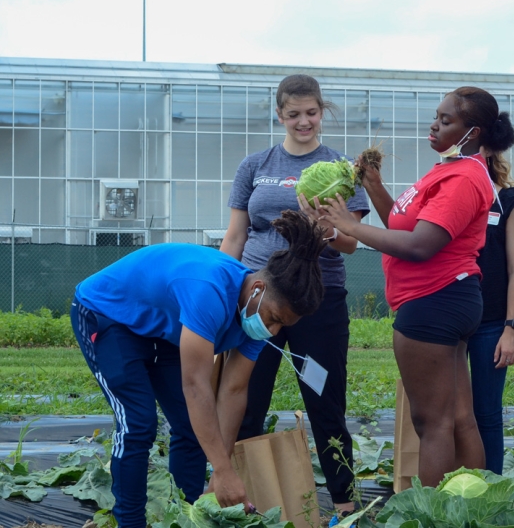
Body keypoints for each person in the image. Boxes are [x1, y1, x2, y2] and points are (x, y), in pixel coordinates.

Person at [70, 211, 326, 528]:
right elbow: (196, 385)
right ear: (258, 288)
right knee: (138, 423)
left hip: (160, 329)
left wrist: (223, 468)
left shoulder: (257, 317)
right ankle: (130, 523)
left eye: (282, 325)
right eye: (274, 318)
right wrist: (222, 470)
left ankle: (187, 517)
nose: (273, 330)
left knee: (191, 428)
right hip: (107, 314)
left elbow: (233, 391)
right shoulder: (209, 291)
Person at [317, 86, 514, 486]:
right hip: (447, 300)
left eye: (446, 121)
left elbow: (421, 246)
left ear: (472, 132)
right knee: (458, 417)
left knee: (432, 423)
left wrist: (351, 226)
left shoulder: (462, 177)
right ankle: (471, 508)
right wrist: (373, 185)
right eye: (436, 116)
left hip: (433, 302)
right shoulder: (447, 170)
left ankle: (435, 513)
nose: (434, 125)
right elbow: (403, 225)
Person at [220, 74, 369, 519]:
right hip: (259, 302)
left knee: (325, 403)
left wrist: (322, 223)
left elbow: (350, 242)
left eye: (311, 112)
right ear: (280, 115)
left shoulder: (342, 168)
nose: (303, 121)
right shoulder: (255, 166)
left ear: (321, 111)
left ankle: (344, 503)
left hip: (317, 303)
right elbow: (234, 236)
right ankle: (240, 498)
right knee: (245, 395)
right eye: (293, 114)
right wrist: (225, 289)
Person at [467, 147, 514, 475]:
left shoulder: (507, 201)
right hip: (450, 322)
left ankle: (491, 487)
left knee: (487, 413)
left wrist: (510, 329)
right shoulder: (446, 194)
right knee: (449, 413)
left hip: (491, 324)